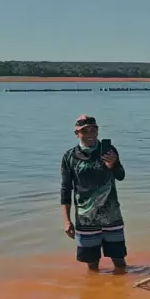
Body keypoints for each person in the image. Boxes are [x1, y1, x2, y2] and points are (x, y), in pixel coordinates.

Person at [60, 115, 127, 271]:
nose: (90, 134)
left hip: (111, 216)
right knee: (92, 266)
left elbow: (121, 176)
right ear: (77, 133)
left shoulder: (109, 150)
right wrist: (67, 220)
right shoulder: (69, 156)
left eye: (93, 130)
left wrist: (113, 164)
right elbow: (66, 189)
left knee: (120, 263)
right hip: (85, 219)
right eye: (85, 131)